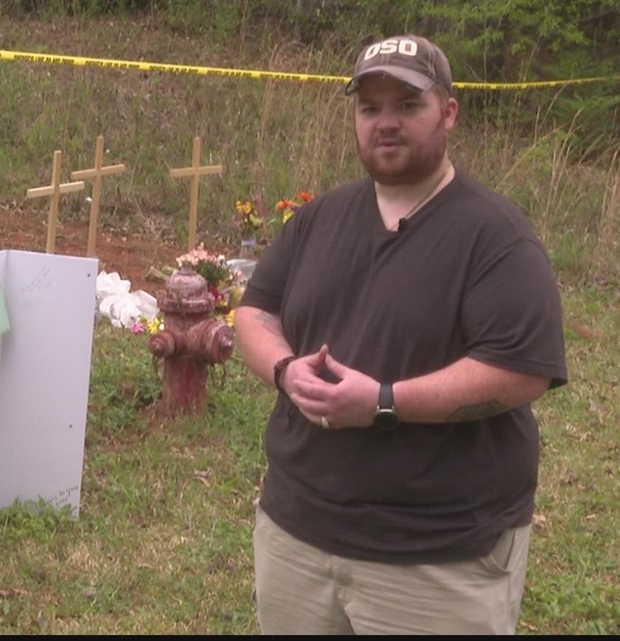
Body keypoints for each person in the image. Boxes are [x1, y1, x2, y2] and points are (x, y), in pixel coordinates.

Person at [234, 34, 568, 635]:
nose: (385, 123)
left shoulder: (494, 237)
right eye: (370, 108)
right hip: (297, 537)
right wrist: (285, 370)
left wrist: (384, 402)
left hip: (436, 558)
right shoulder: (319, 218)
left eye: (408, 105)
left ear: (449, 112)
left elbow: (522, 370)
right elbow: (254, 311)